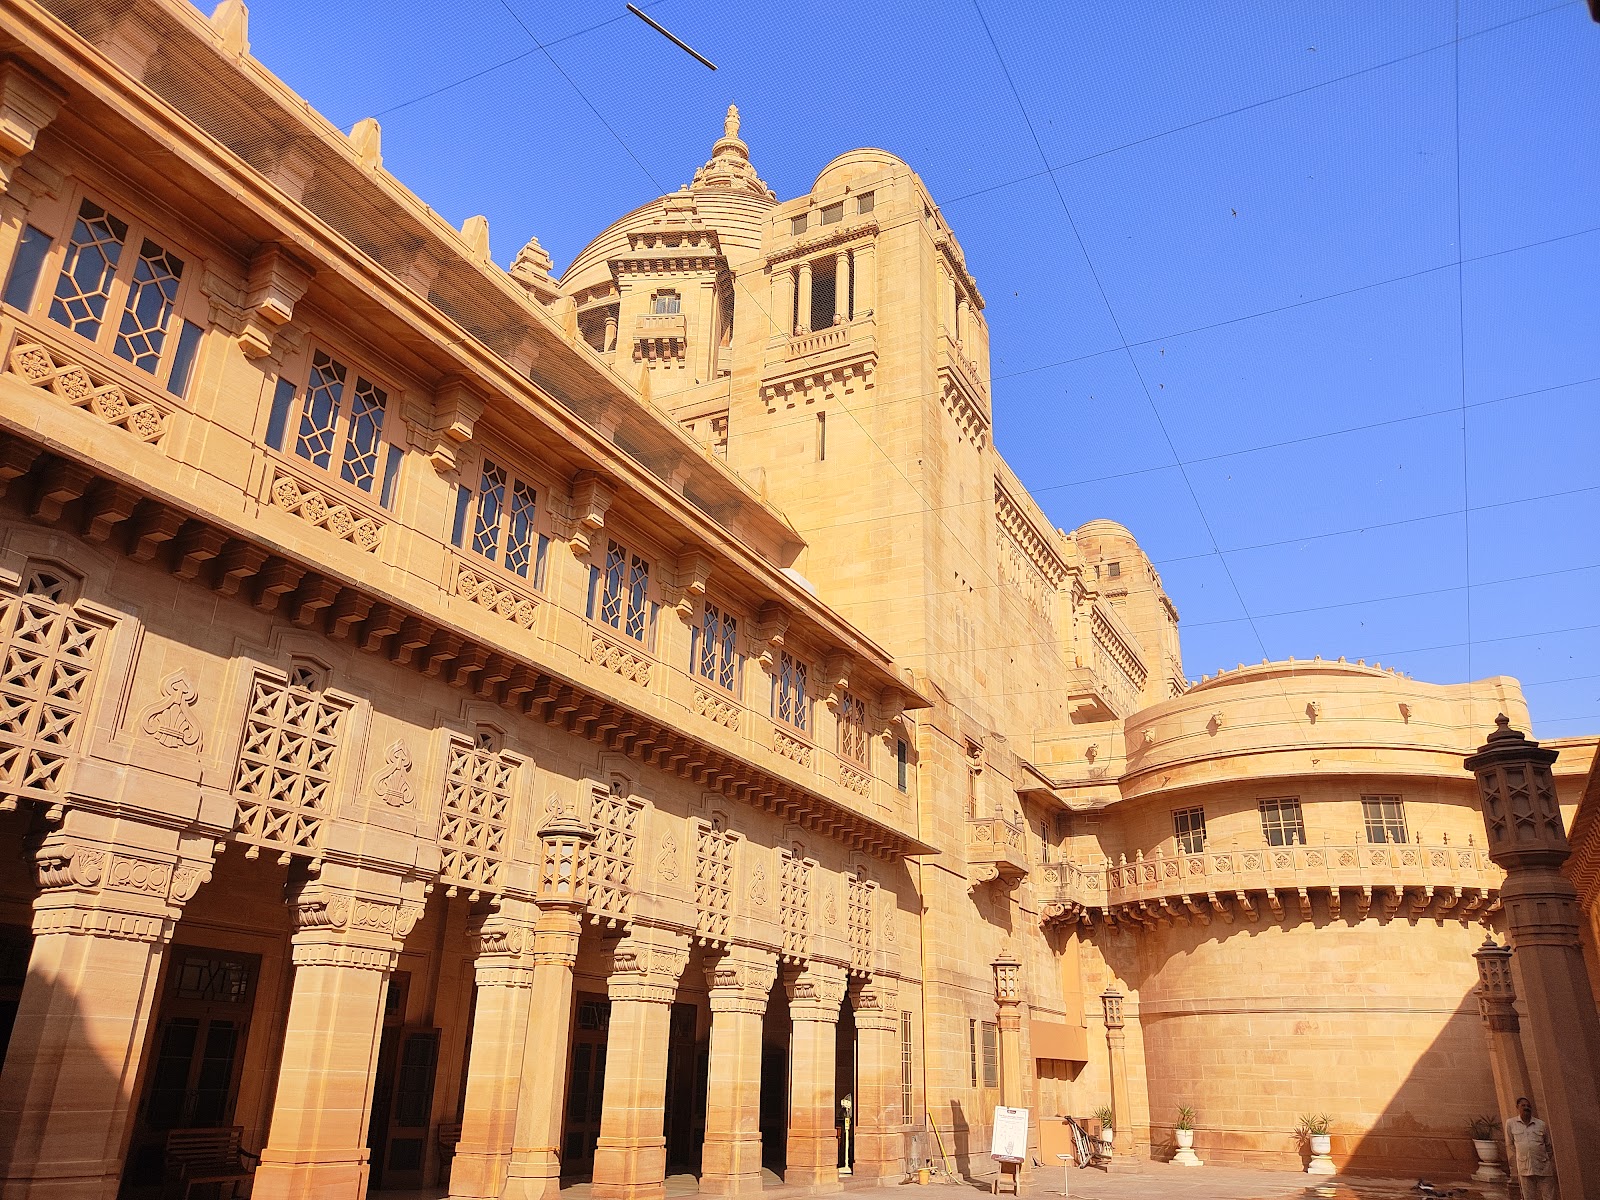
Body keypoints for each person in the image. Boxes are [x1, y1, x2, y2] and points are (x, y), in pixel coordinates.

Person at [1505, 1096, 1557, 1200]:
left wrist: (1544, 1157)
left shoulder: (1541, 1124)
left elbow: (1548, 1145)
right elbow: (1510, 1143)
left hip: (1543, 1166)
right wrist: (1522, 1154)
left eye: (1528, 1106)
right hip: (1524, 1166)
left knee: (1549, 1196)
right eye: (1523, 1105)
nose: (1526, 1108)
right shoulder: (1511, 1123)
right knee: (1528, 1197)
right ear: (1517, 1107)